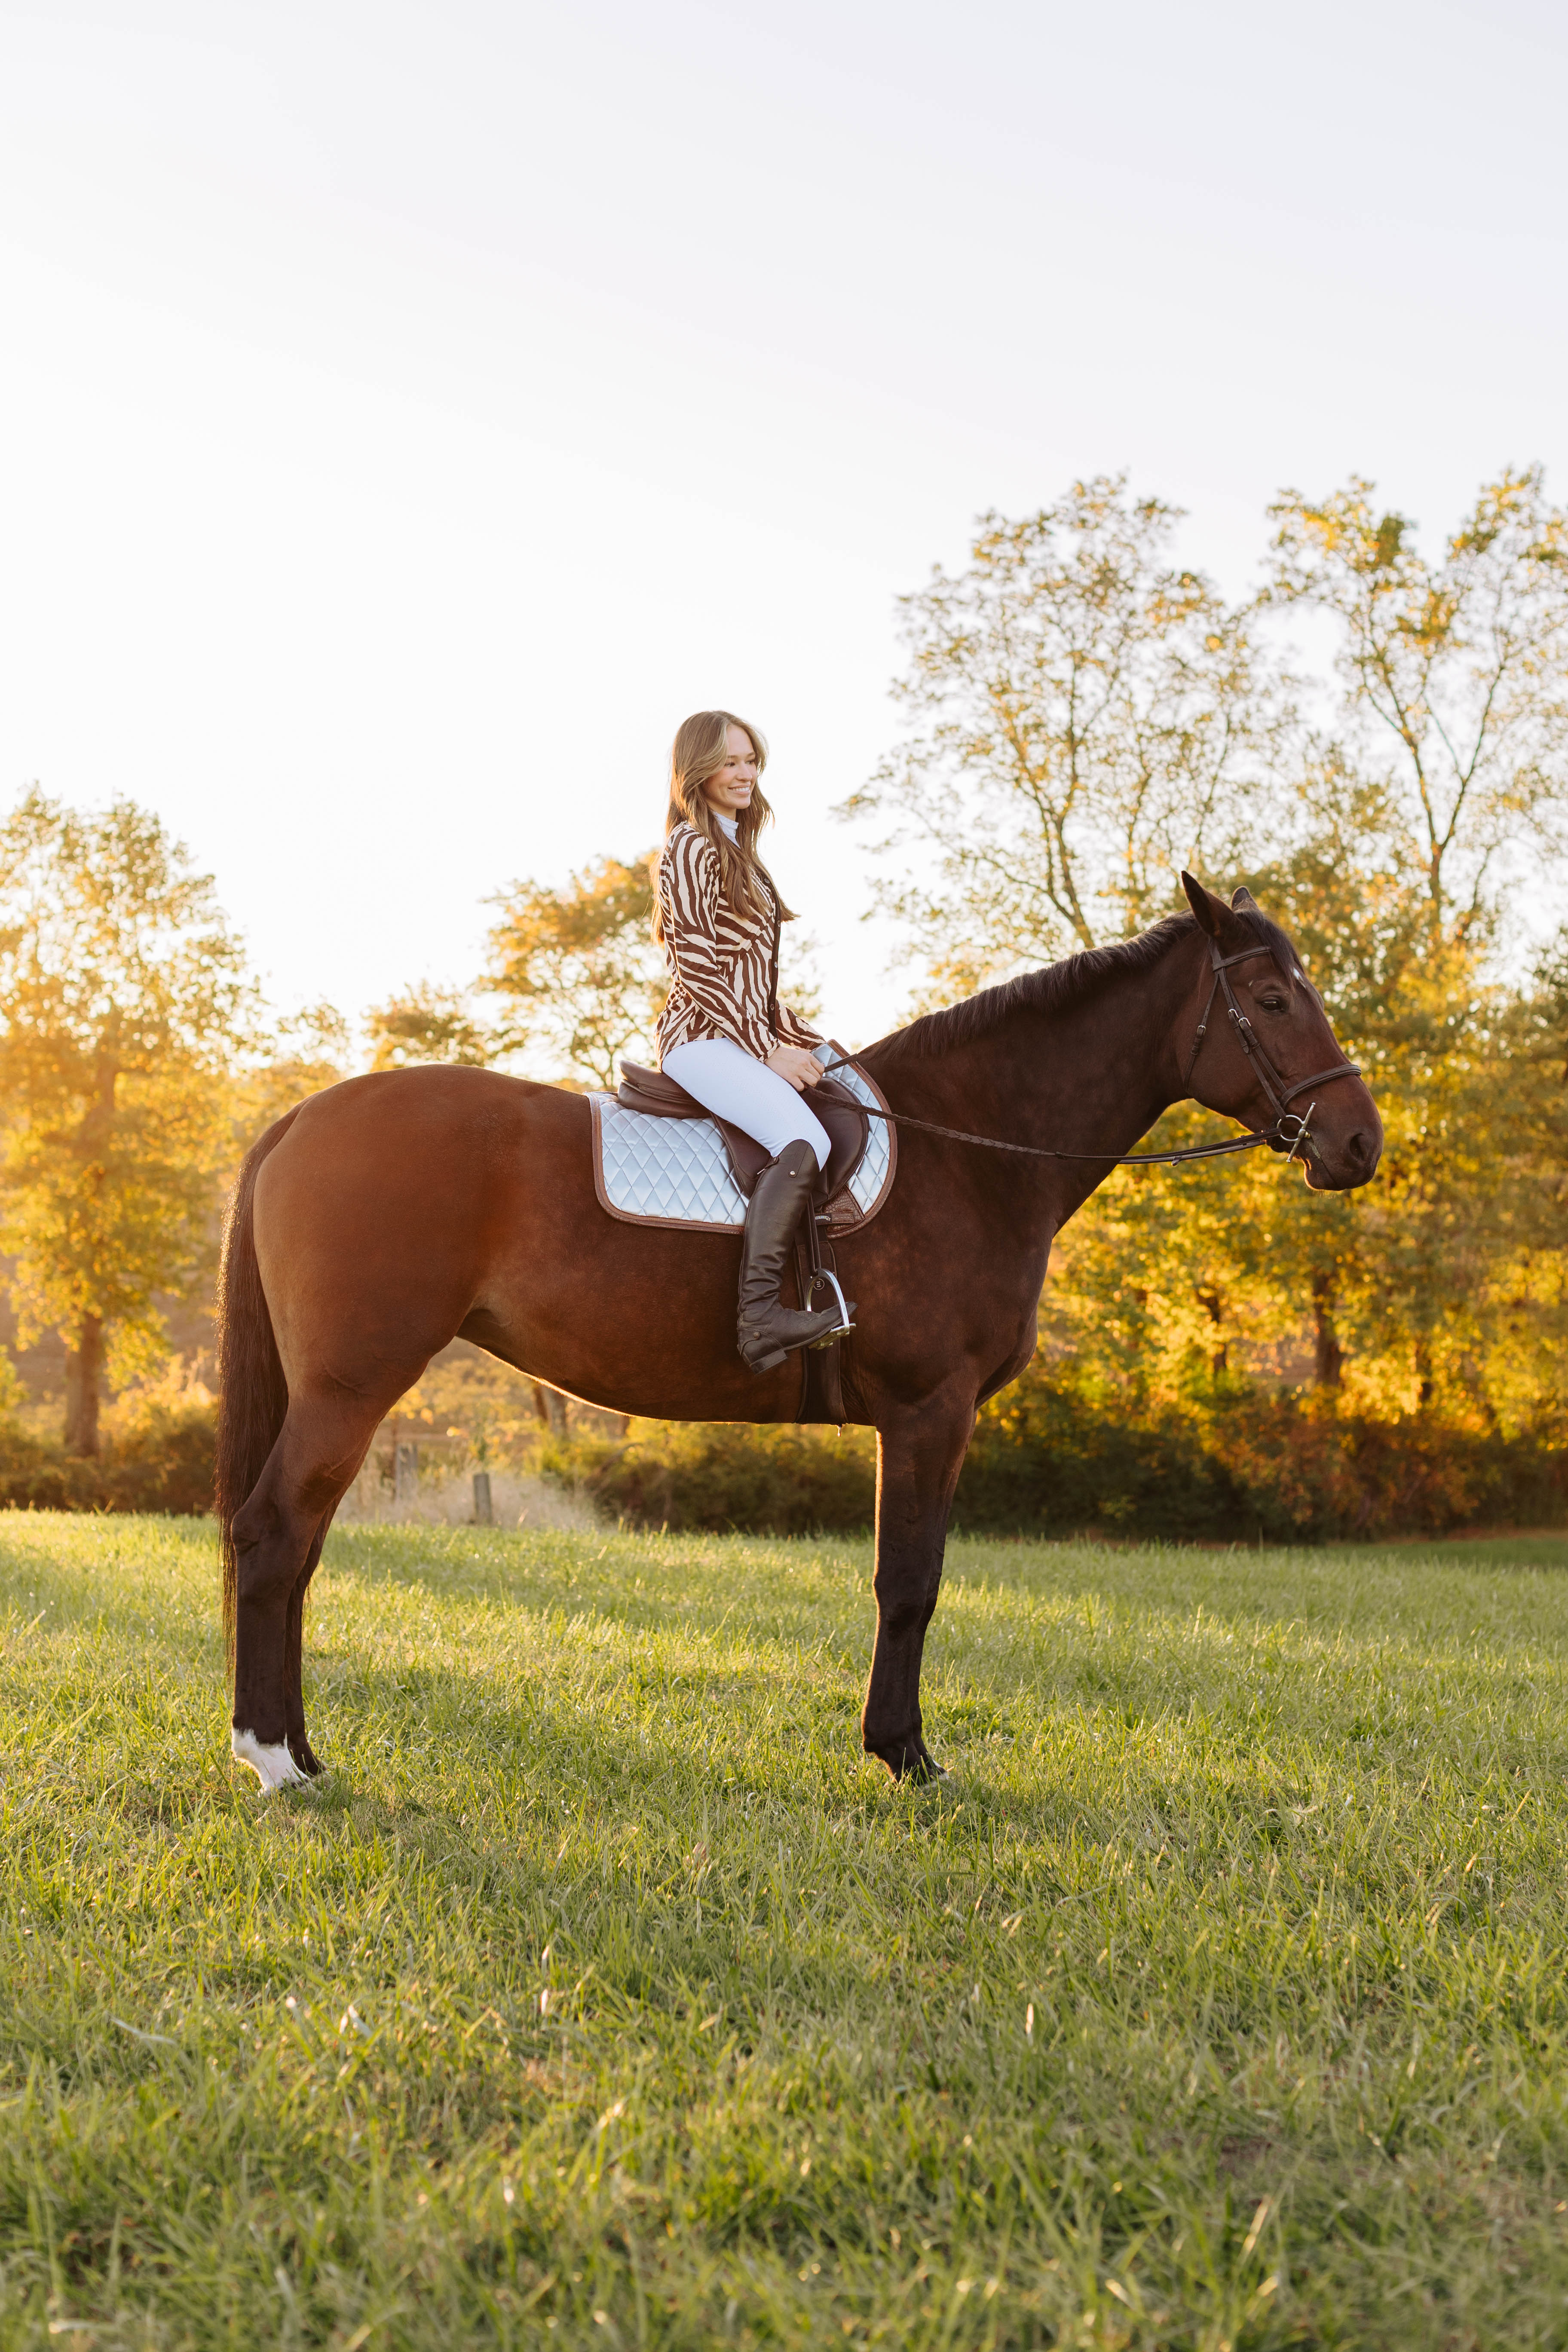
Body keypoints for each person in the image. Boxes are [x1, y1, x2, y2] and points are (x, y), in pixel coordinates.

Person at [652, 709, 847, 1374]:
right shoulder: (690, 846)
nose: (745, 774)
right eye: (729, 762)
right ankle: (759, 1315)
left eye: (751, 760)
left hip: (740, 1035)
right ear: (697, 772)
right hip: (701, 1039)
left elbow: (752, 982)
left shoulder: (739, 850)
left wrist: (811, 1042)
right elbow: (697, 967)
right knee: (805, 1140)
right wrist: (766, 1049)